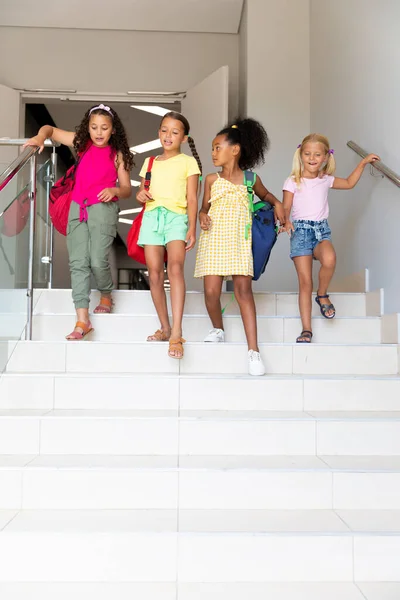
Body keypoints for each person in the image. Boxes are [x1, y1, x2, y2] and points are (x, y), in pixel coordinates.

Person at [24, 104, 134, 339]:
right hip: (77, 207)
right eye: (94, 127)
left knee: (96, 260)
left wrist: (114, 189)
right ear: (88, 128)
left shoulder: (118, 154)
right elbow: (50, 129)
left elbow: (127, 190)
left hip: (104, 209)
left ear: (113, 130)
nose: (99, 132)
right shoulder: (81, 144)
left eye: (104, 128)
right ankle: (82, 320)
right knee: (78, 262)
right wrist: (39, 137)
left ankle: (106, 292)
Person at [194, 118, 285, 376]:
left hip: (239, 241)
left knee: (243, 292)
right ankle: (217, 328)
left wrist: (277, 204)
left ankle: (253, 352)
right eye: (212, 148)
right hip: (214, 240)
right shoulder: (211, 179)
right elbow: (204, 208)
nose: (213, 152)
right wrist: (202, 215)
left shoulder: (250, 179)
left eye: (217, 147)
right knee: (211, 292)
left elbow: (266, 196)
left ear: (234, 150)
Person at [281, 133, 379, 343]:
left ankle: (322, 294)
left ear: (325, 157)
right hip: (300, 233)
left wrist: (362, 163)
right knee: (305, 282)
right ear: (300, 155)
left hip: (321, 231)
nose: (312, 158)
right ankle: (306, 329)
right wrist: (285, 221)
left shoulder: (326, 180)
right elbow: (286, 206)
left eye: (317, 154)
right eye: (307, 154)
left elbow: (350, 183)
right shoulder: (292, 181)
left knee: (330, 259)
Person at [136, 111, 201, 359]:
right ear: (158, 132)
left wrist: (192, 228)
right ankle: (164, 327)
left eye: (175, 132)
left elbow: (192, 198)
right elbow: (142, 191)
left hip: (177, 218)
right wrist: (140, 194)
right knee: (154, 273)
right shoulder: (150, 162)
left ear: (184, 137)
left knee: (175, 268)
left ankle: (176, 332)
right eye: (164, 130)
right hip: (152, 217)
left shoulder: (188, 162)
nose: (168, 135)